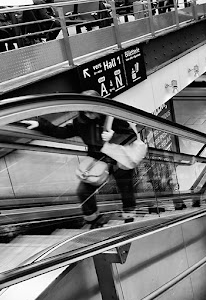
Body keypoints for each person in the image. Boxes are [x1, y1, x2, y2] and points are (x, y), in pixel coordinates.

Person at [34, 91, 139, 227]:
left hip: (118, 159)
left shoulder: (113, 118)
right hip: (97, 160)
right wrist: (40, 124)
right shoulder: (80, 122)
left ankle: (129, 217)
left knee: (126, 188)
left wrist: (113, 137)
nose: (89, 115)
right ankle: (93, 219)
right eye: (85, 112)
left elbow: (132, 136)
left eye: (91, 111)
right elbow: (62, 133)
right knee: (83, 191)